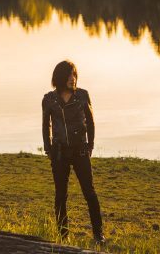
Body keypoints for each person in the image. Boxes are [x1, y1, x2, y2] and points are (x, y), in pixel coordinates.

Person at [42, 60, 105, 243]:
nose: (73, 78)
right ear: (60, 77)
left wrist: (90, 145)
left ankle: (98, 234)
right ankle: (63, 236)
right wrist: (48, 149)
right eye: (69, 75)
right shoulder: (49, 99)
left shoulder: (82, 95)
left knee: (89, 193)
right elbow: (46, 125)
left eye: (74, 75)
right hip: (59, 153)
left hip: (80, 151)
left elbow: (91, 122)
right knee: (60, 195)